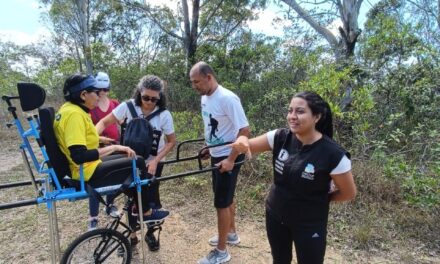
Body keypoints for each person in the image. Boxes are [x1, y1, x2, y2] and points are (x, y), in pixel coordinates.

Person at [219, 91, 357, 264]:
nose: (292, 116)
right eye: (290, 110)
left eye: (300, 111)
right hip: (275, 216)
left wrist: (321, 199)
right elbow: (247, 145)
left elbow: (348, 193)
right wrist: (242, 141)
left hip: (310, 223)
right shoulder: (280, 137)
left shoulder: (333, 155)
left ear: (317, 116)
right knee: (279, 260)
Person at [53, 74, 169, 233]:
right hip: (85, 171)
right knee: (138, 161)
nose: (100, 95)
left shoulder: (68, 110)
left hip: (84, 168)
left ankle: (140, 209)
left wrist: (98, 138)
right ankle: (146, 212)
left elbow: (77, 138)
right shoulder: (75, 114)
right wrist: (114, 148)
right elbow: (79, 155)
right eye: (96, 91)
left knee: (129, 158)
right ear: (83, 95)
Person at [95, 74, 176, 250]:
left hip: (152, 163)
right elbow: (103, 121)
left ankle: (150, 234)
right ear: (139, 93)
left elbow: (171, 141)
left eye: (154, 99)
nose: (149, 102)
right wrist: (93, 137)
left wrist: (155, 161)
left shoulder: (164, 115)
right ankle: (132, 236)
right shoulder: (127, 107)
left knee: (152, 200)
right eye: (146, 97)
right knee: (132, 201)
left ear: (160, 97)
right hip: (129, 161)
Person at [189, 61, 250, 264]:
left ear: (209, 77)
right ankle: (231, 234)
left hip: (230, 154)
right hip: (217, 153)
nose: (195, 86)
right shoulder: (205, 98)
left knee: (221, 203)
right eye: (192, 82)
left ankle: (222, 251)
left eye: (197, 82)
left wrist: (231, 159)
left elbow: (244, 131)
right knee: (226, 196)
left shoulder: (228, 98)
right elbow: (213, 126)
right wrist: (209, 147)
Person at [89, 71, 120, 219]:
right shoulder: (91, 106)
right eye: (99, 89)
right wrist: (101, 139)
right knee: (96, 181)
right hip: (99, 147)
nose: (102, 92)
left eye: (105, 89)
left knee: (114, 177)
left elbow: (122, 121)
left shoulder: (114, 103)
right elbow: (88, 130)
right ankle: (93, 216)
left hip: (116, 144)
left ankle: (110, 205)